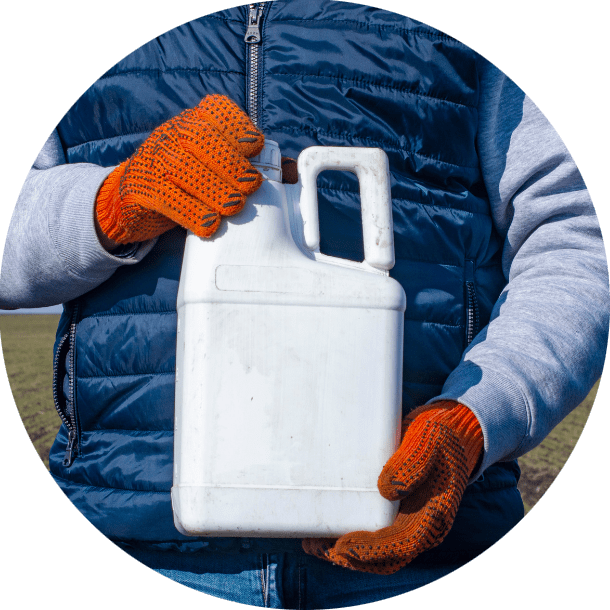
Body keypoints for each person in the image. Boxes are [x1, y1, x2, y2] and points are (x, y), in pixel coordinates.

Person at [1, 0, 608, 606]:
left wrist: (476, 419)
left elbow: (575, 236)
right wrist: (109, 205)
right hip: (130, 538)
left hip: (427, 546)